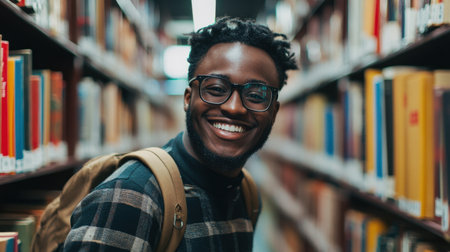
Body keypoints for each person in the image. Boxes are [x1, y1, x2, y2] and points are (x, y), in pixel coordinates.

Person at [64, 16, 297, 251]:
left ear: (274, 112)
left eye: (256, 95)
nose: (233, 107)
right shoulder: (131, 197)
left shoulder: (246, 194)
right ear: (188, 99)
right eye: (216, 89)